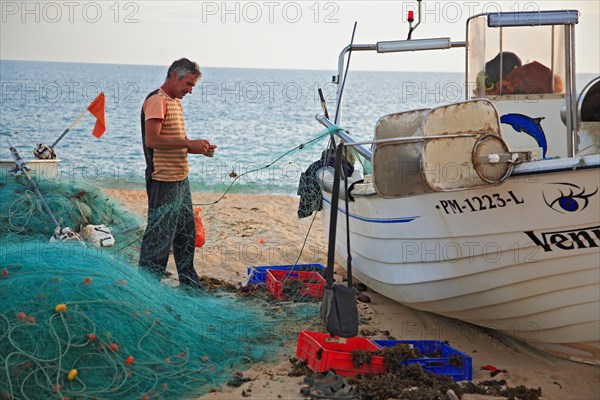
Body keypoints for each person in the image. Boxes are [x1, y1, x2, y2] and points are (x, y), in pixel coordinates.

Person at [138, 58, 217, 289]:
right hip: (163, 180)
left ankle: (189, 284)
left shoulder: (174, 101)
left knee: (186, 232)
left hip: (180, 178)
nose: (190, 91)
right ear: (174, 76)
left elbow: (173, 140)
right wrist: (187, 144)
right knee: (159, 237)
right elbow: (152, 140)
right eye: (189, 84)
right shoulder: (156, 100)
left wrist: (197, 148)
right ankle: (146, 287)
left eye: (193, 86)